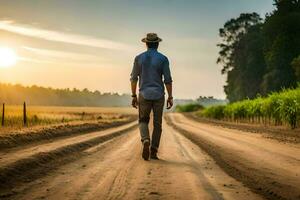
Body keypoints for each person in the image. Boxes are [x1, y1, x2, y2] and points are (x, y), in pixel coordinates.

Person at [130, 33, 173, 161]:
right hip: (159, 94)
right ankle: (153, 151)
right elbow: (168, 80)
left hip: (144, 94)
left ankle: (145, 140)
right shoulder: (163, 59)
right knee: (157, 124)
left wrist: (133, 95)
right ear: (157, 44)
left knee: (143, 120)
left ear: (146, 44)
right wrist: (170, 96)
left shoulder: (139, 58)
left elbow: (133, 78)